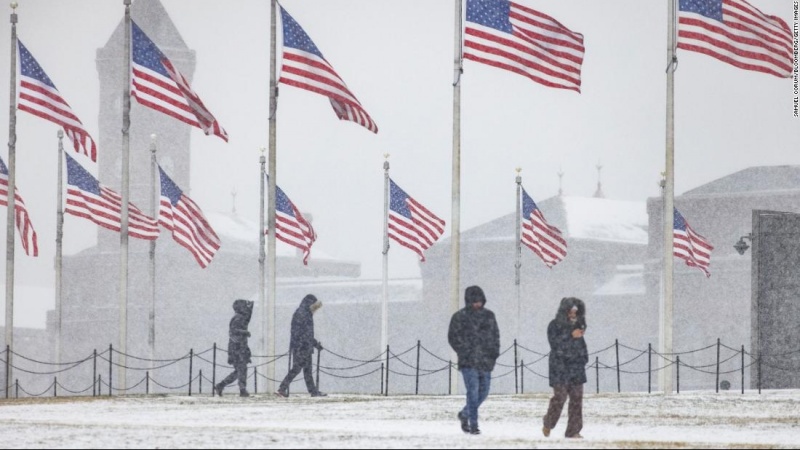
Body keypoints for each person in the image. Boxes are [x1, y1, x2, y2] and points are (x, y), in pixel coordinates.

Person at [447, 285, 500, 435]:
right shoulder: (459, 317)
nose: (478, 304)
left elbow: (495, 336)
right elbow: (453, 337)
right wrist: (465, 351)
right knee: (473, 391)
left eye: (480, 301)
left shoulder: (489, 316)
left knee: (483, 392)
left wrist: (493, 355)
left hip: (485, 361)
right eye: (475, 301)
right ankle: (473, 424)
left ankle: (465, 414)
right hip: (468, 362)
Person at [542, 297, 588, 439]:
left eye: (576, 311)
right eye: (571, 311)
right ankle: (548, 423)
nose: (573, 314)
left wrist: (583, 359)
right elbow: (555, 345)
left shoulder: (579, 327)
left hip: (576, 368)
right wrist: (570, 335)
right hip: (559, 368)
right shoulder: (554, 325)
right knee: (560, 397)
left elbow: (582, 346)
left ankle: (573, 431)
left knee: (576, 400)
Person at [275, 294, 326, 398]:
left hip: (301, 346)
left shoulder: (302, 313)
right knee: (298, 370)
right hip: (302, 347)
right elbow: (305, 334)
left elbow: (303, 333)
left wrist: (313, 344)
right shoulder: (304, 314)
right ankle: (282, 388)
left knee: (305, 370)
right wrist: (314, 344)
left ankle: (313, 391)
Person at [215, 299, 254, 397]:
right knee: (241, 369)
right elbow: (234, 330)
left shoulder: (240, 317)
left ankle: (223, 385)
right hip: (238, 347)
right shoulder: (238, 318)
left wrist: (250, 308)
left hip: (239, 347)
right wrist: (245, 332)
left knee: (239, 370)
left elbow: (247, 318)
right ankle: (242, 389)